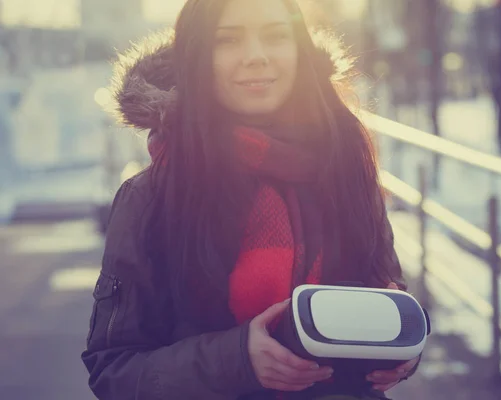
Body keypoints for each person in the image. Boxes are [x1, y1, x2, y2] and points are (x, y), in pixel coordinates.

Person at [81, 0, 421, 399]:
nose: (256, 57)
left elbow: (387, 290)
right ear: (198, 56)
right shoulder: (150, 198)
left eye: (276, 36)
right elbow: (113, 370)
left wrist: (402, 347)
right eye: (228, 40)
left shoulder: (346, 170)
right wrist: (237, 359)